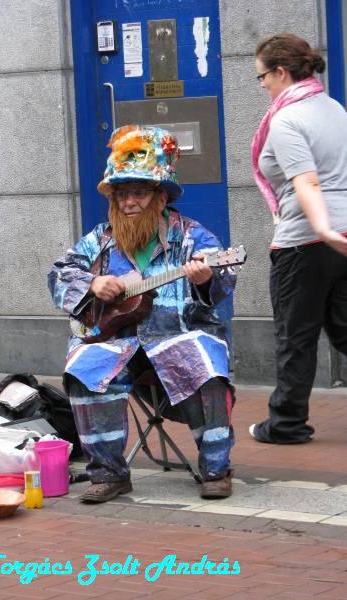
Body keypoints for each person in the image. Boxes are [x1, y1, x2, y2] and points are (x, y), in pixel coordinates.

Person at [48, 125, 237, 502]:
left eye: (138, 192)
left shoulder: (192, 236)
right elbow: (59, 271)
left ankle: (216, 468)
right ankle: (110, 473)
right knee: (84, 368)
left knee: (208, 366)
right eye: (121, 195)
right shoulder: (99, 239)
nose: (129, 202)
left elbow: (224, 280)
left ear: (161, 196)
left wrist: (204, 279)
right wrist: (91, 285)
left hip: (179, 333)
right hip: (115, 339)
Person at [249, 33, 347, 444]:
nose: (263, 86)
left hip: (305, 242)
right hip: (343, 238)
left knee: (296, 335)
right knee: (344, 329)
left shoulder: (287, 119)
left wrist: (321, 229)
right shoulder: (335, 109)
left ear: (282, 72)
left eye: (262, 77)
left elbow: (306, 181)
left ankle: (286, 424)